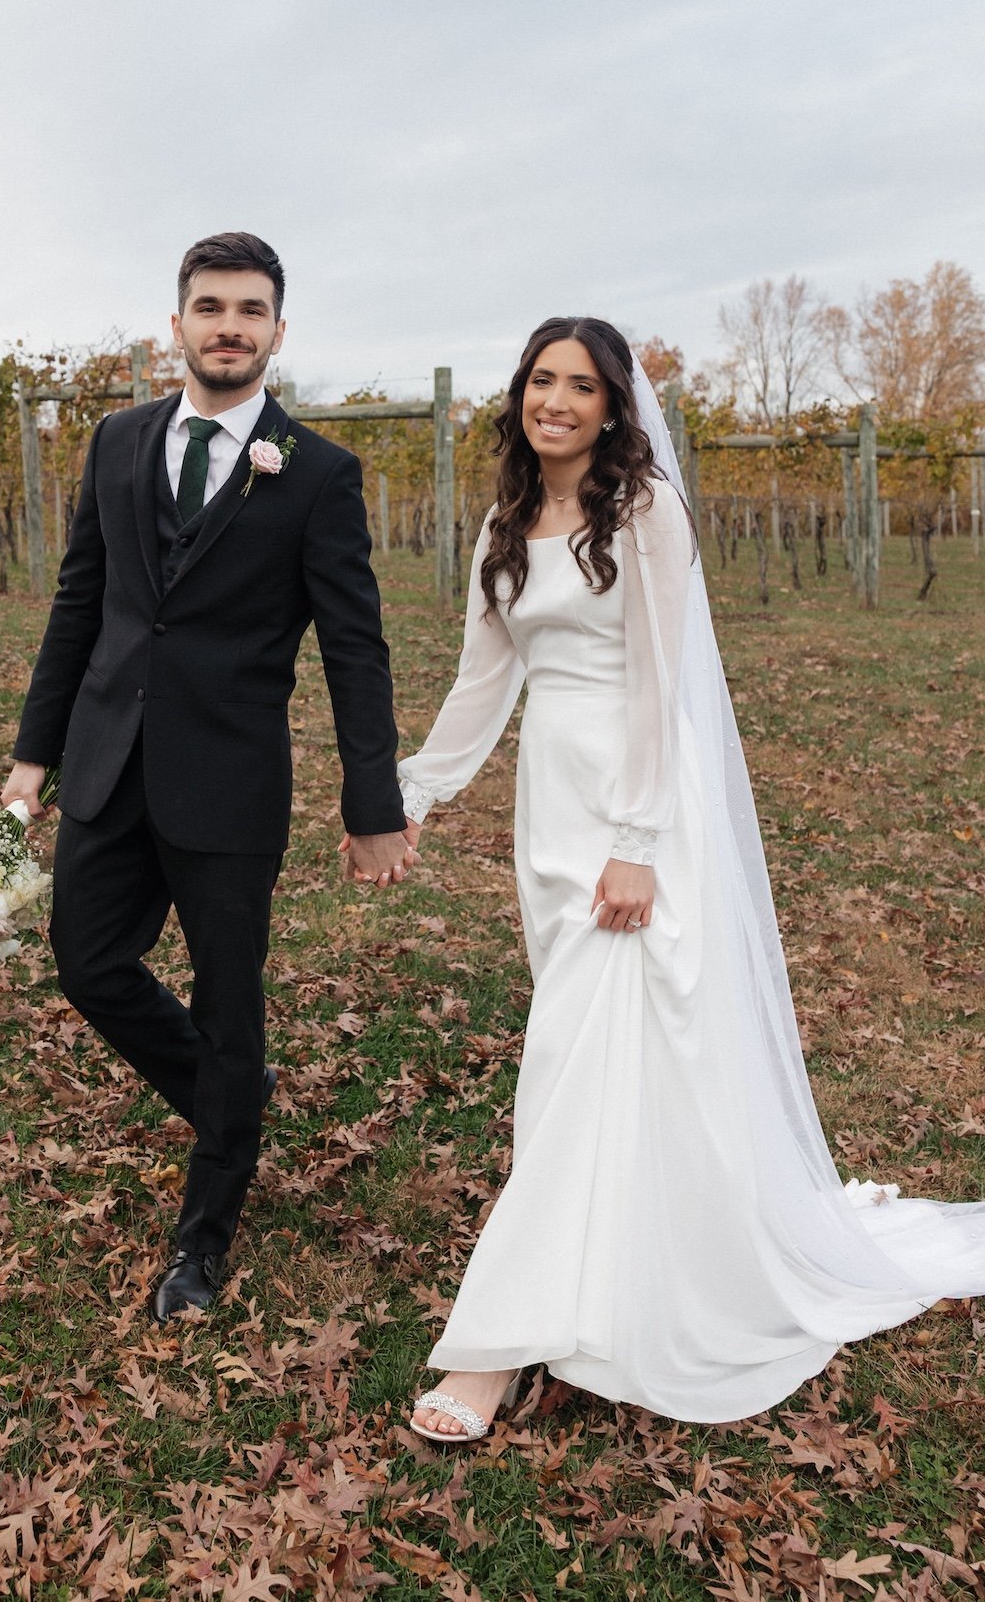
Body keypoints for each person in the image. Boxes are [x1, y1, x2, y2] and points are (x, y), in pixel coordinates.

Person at [402, 316, 985, 1441]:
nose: (555, 401)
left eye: (581, 385)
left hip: (638, 812)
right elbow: (484, 680)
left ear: (615, 406)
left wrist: (637, 838)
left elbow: (663, 686)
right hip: (549, 810)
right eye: (540, 380)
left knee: (575, 1057)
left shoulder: (645, 511)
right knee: (599, 1053)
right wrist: (413, 794)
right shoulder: (505, 520)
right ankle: (630, 1257)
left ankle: (495, 1348)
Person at [2, 231, 413, 1321]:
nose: (229, 327)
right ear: (176, 324)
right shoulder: (118, 441)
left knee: (232, 1003)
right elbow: (81, 603)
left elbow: (355, 650)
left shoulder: (316, 472)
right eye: (211, 307)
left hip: (228, 782)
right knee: (90, 964)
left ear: (278, 331)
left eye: (250, 310)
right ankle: (234, 1102)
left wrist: (372, 803)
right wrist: (34, 755)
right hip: (107, 761)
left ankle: (203, 1236)